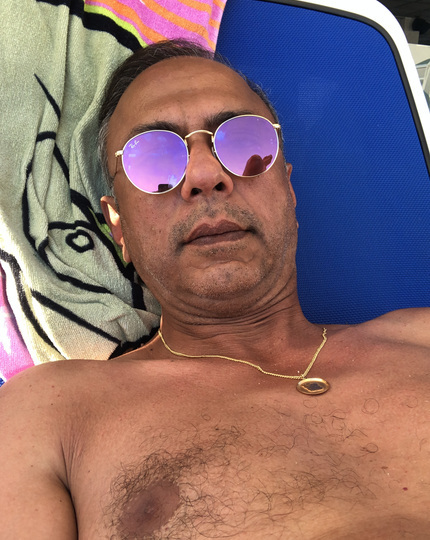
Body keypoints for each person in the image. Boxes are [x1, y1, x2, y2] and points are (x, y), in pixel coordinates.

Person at [1, 39, 429, 540]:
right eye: (153, 159)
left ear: (289, 190)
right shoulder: (50, 415)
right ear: (119, 228)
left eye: (244, 143)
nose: (206, 175)